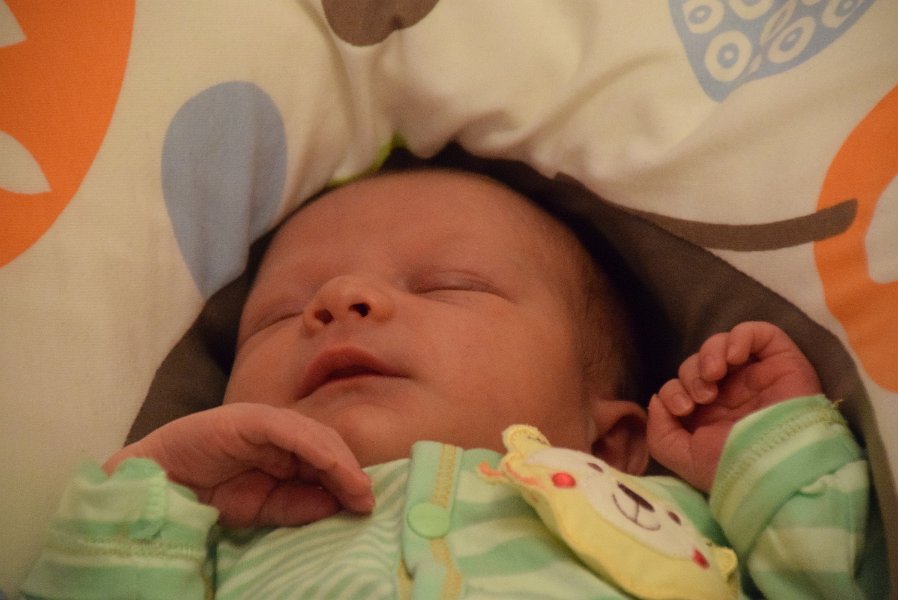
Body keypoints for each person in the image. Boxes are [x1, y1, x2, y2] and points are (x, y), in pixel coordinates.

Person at [22, 169, 884, 599]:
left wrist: (764, 455)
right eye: (278, 315)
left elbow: (835, 578)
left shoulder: (668, 518)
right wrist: (161, 488)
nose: (338, 300)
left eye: (449, 286)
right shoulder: (209, 554)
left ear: (613, 441)